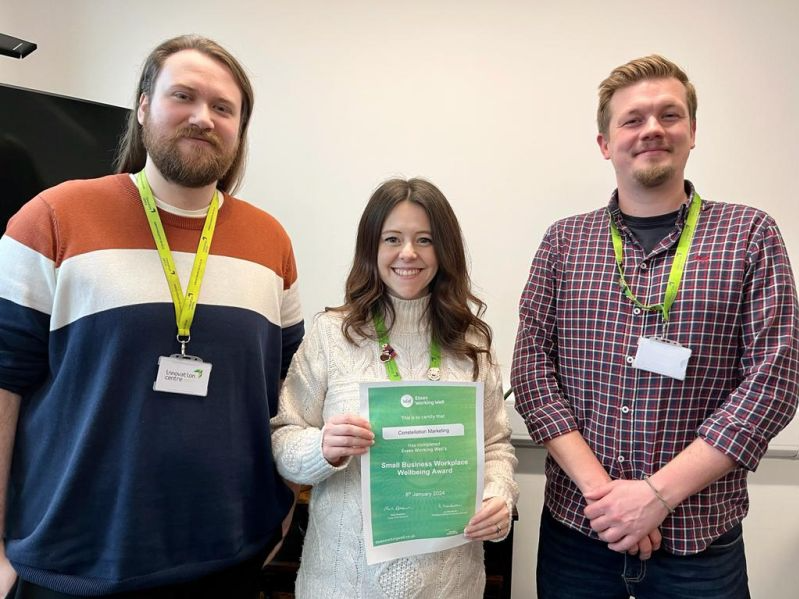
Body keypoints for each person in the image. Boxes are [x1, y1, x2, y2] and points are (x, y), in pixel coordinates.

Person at [0, 35, 304, 598]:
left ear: (240, 129)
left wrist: (282, 502)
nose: (202, 118)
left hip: (230, 560)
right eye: (182, 96)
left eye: (223, 107)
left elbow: (293, 392)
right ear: (142, 107)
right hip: (73, 567)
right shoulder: (51, 220)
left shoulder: (271, 242)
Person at [511, 54, 798, 599]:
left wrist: (655, 497)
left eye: (669, 115)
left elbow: (774, 383)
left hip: (698, 547)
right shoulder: (563, 242)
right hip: (578, 534)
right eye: (633, 119)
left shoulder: (751, 235)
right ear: (605, 142)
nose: (652, 130)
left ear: (692, 132)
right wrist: (608, 497)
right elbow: (531, 372)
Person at [271, 178, 518, 598]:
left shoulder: (471, 343)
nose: (409, 253)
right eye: (392, 239)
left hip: (450, 584)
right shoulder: (332, 335)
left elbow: (495, 445)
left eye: (425, 239)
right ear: (372, 247)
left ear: (445, 250)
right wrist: (322, 449)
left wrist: (499, 497)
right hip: (343, 584)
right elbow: (284, 437)